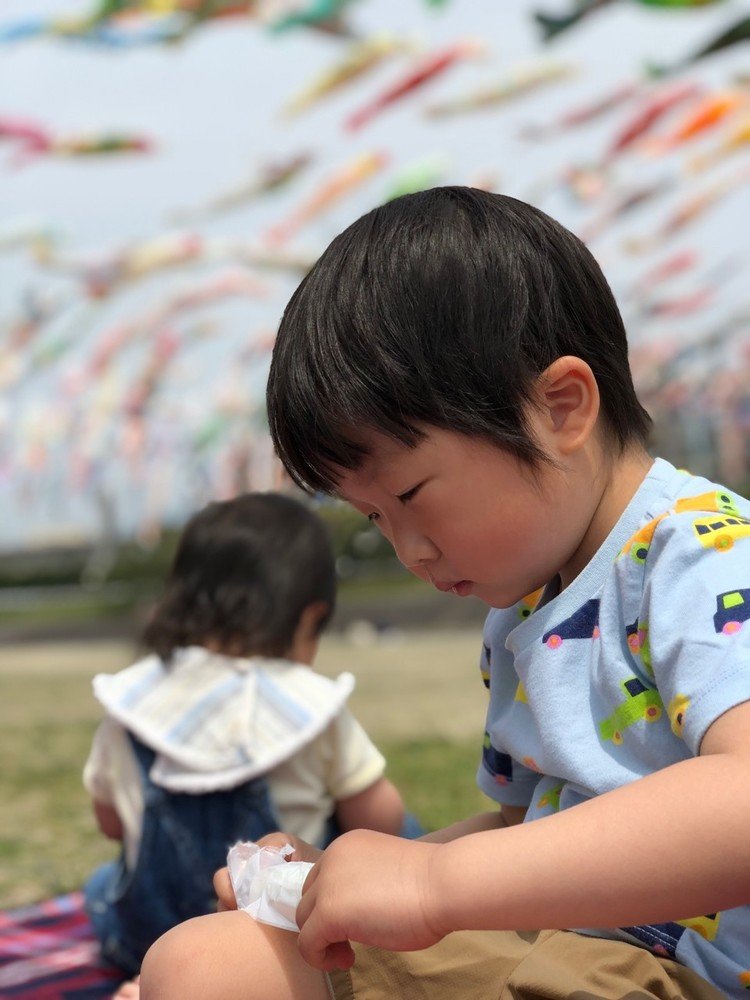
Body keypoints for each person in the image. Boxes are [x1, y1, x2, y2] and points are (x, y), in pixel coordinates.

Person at [138, 188, 750, 999]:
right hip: (575, 956)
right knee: (213, 961)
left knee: (197, 971)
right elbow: (525, 828)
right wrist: (355, 877)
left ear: (559, 408)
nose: (409, 550)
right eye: (374, 520)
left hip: (675, 978)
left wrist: (437, 886)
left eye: (415, 496)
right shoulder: (529, 604)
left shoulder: (702, 551)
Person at [82, 491, 409, 980]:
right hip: (279, 947)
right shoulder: (305, 705)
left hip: (151, 942)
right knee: (411, 831)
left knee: (100, 885)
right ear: (310, 616)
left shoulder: (136, 703)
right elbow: (381, 820)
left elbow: (110, 822)